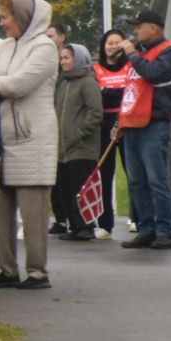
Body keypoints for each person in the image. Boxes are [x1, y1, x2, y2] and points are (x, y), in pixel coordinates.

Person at [0, 0, 60, 288]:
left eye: (6, 17)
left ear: (23, 16)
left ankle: (37, 272)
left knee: (33, 215)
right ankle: (7, 269)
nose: (2, 23)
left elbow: (19, 84)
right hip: (1, 139)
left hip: (33, 140)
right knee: (1, 212)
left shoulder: (45, 47)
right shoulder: (5, 47)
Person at [115, 9, 171, 250]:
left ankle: (164, 230)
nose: (134, 31)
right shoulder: (139, 54)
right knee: (137, 181)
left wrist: (132, 54)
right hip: (131, 123)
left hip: (154, 123)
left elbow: (153, 74)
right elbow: (130, 91)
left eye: (139, 26)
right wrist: (119, 122)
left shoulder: (170, 51)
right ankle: (146, 228)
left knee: (157, 179)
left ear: (153, 28)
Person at [51, 43, 104, 241]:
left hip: (82, 148)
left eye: (67, 57)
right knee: (65, 188)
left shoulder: (88, 83)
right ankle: (74, 225)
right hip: (63, 148)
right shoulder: (63, 83)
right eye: (62, 58)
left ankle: (85, 226)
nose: (63, 61)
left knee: (79, 188)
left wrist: (79, 132)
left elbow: (95, 112)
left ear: (79, 59)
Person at [92, 30, 130, 239]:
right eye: (109, 42)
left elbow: (129, 94)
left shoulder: (130, 67)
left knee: (132, 172)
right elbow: (96, 97)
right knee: (104, 175)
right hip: (102, 125)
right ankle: (105, 223)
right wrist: (112, 94)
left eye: (117, 42)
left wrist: (108, 92)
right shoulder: (95, 68)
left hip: (126, 123)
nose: (113, 46)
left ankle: (136, 218)